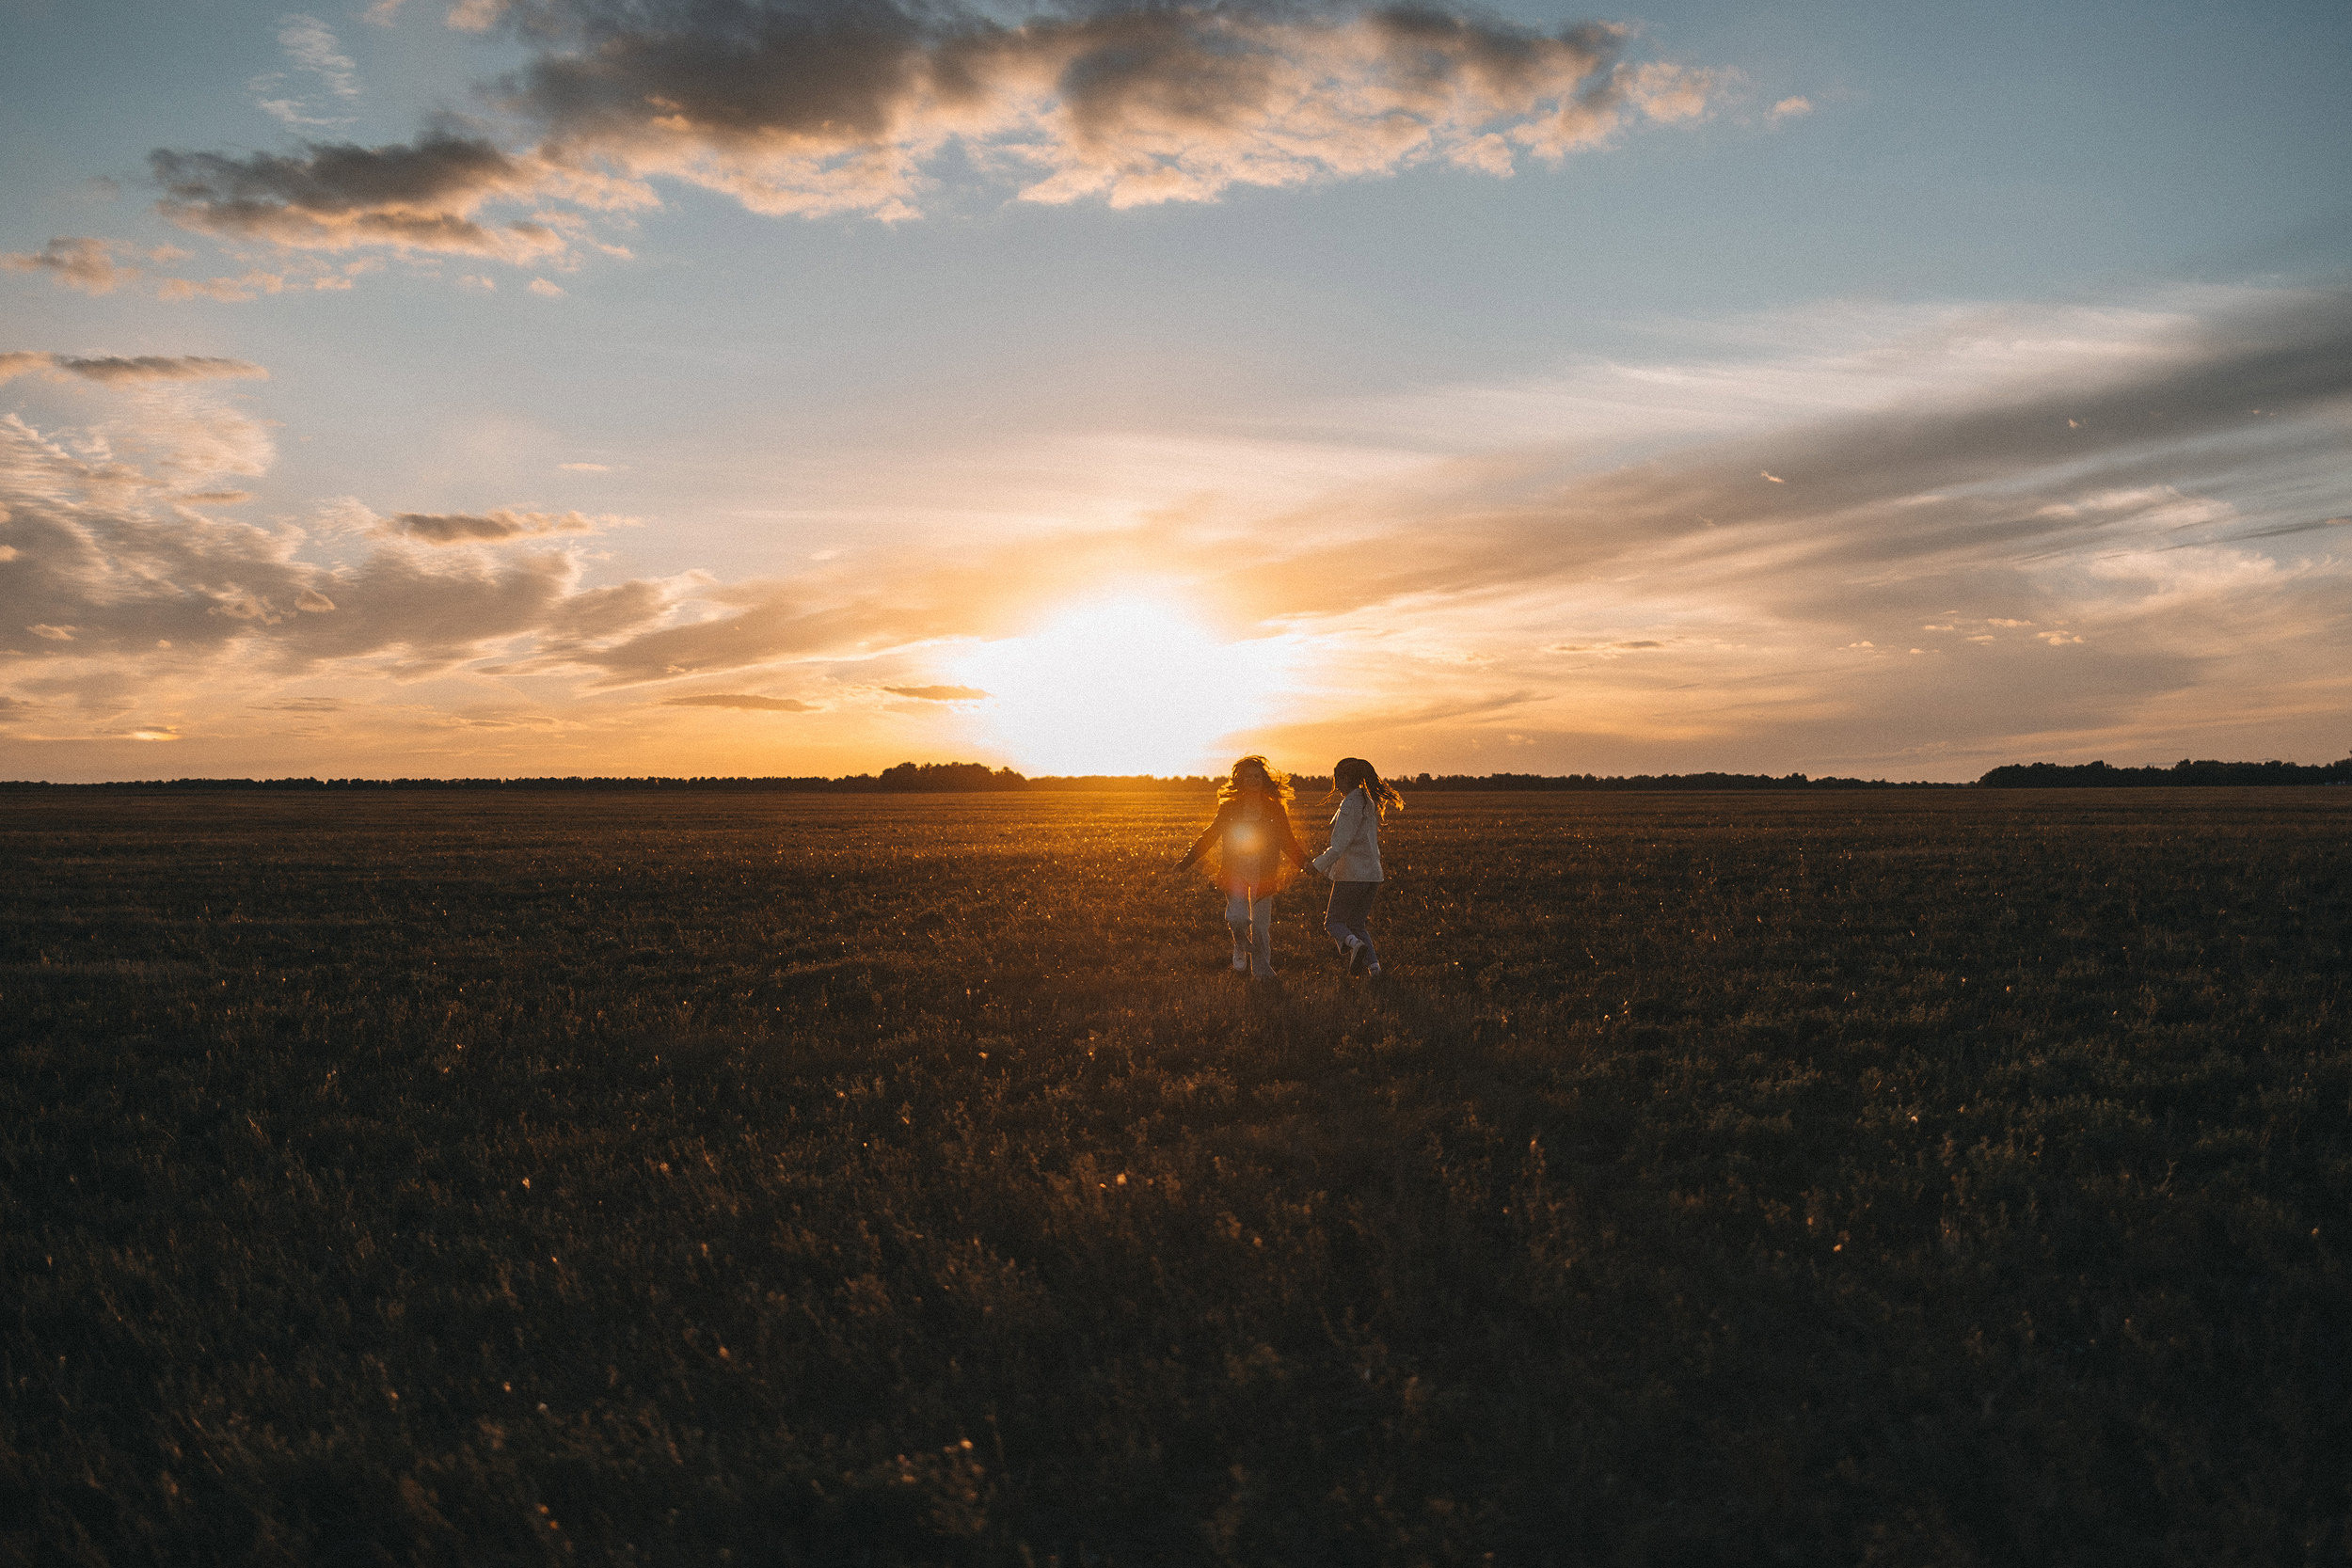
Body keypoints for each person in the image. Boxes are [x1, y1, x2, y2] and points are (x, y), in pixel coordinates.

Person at [1174, 755, 1311, 977]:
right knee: (1237, 917)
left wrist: (1305, 863)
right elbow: (1210, 836)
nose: (1253, 780)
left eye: (1257, 776)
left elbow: (1287, 840)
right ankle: (1239, 942)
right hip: (1235, 870)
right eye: (1249, 777)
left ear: (1263, 780)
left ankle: (1262, 973)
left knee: (1260, 928)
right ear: (1241, 781)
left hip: (1264, 872)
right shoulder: (1229, 808)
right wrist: (1186, 862)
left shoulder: (1275, 809)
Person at [1311, 756, 1402, 977]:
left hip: (1352, 874)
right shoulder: (1368, 801)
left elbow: (1339, 846)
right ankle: (1375, 970)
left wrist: (1316, 866)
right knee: (1357, 924)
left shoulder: (1350, 804)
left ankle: (1354, 945)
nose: (1335, 785)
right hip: (1372, 875)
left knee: (1333, 922)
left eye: (1336, 779)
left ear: (1344, 778)